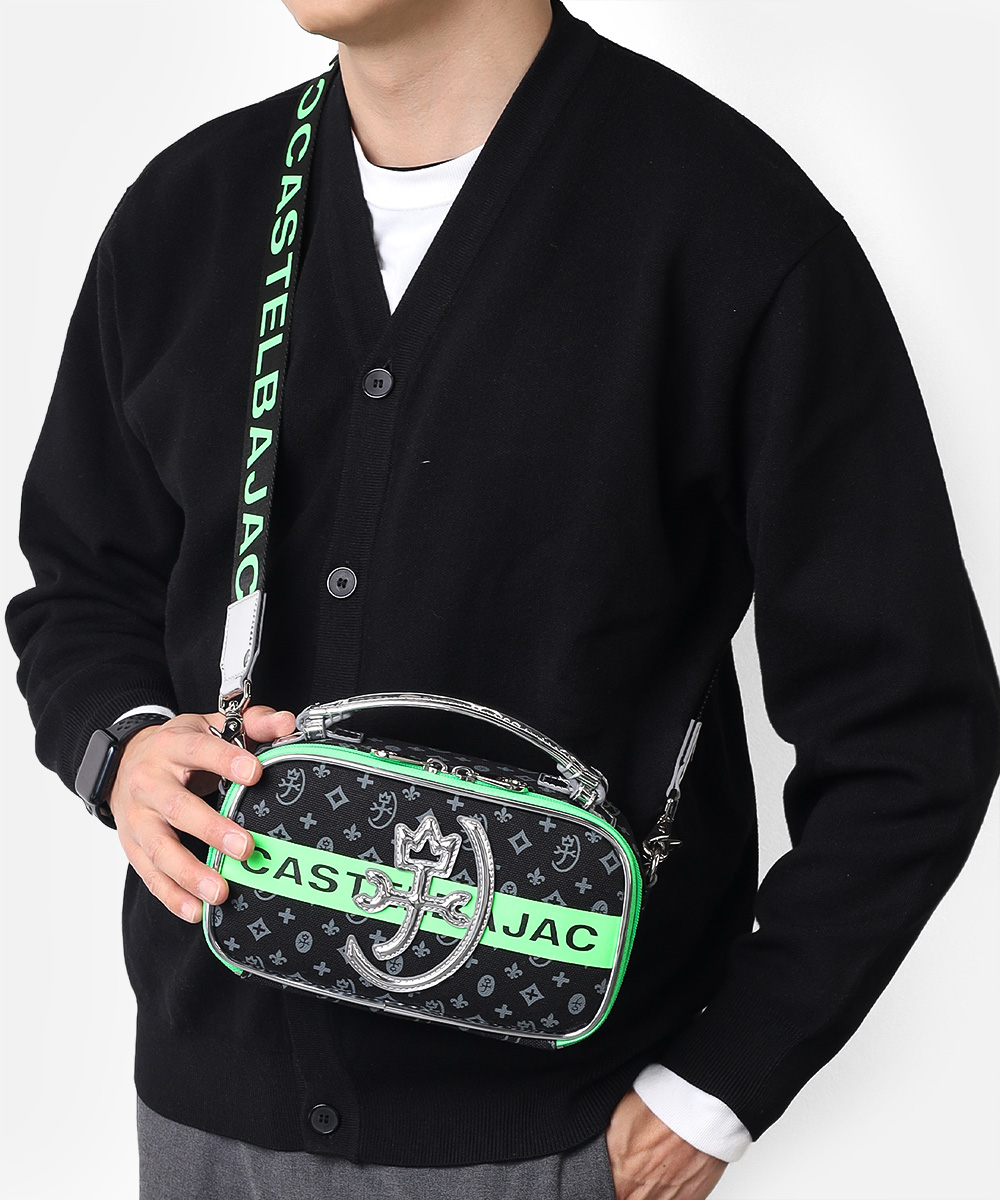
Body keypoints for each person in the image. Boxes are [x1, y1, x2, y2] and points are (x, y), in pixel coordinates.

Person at [6, 0, 998, 1197]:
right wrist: (119, 748)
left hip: (554, 1142)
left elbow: (910, 728)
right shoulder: (188, 209)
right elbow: (82, 584)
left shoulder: (728, 221)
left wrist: (716, 1093)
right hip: (205, 1116)